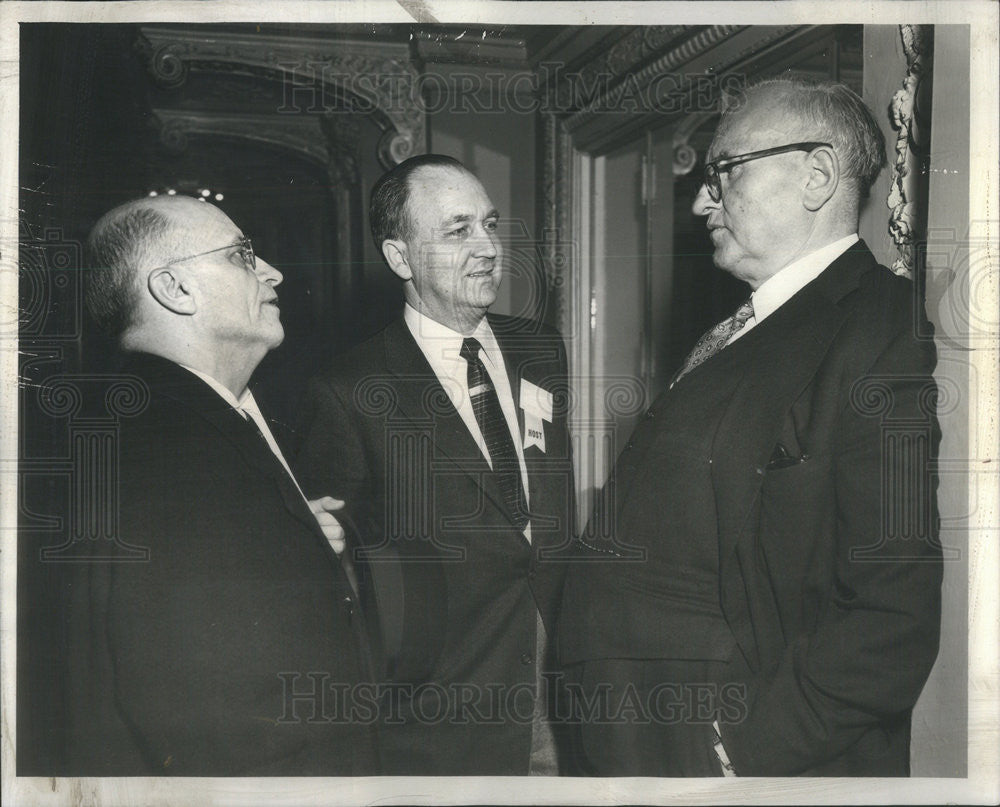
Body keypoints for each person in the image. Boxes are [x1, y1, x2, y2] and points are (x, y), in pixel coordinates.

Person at [558, 78, 942, 776]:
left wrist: (746, 748)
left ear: (817, 175)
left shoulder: (878, 323)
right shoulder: (741, 325)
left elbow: (894, 605)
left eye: (725, 171)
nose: (704, 199)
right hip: (632, 730)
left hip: (717, 748)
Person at [49, 195, 378, 775]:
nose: (272, 271)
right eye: (242, 255)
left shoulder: (188, 419)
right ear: (174, 289)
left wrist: (298, 540)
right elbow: (220, 725)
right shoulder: (166, 447)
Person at [295, 155, 575, 775]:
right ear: (400, 258)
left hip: (561, 690)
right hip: (441, 718)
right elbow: (335, 578)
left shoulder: (541, 347)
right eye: (458, 231)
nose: (488, 247)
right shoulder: (349, 387)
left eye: (490, 225)